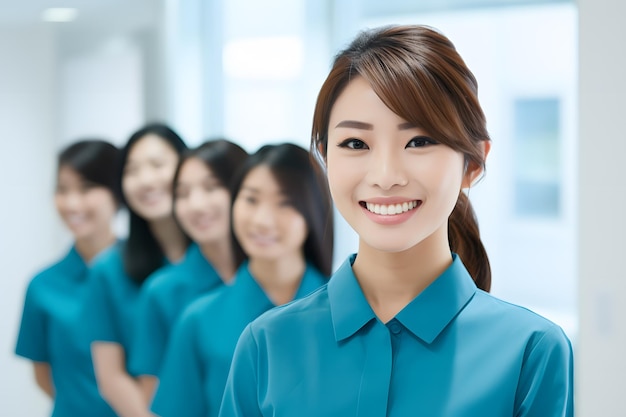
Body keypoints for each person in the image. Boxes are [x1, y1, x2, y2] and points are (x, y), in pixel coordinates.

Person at [218, 25, 574, 417]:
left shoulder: (531, 351)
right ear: (324, 157)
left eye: (419, 141)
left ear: (472, 162)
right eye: (356, 144)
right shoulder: (266, 345)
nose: (385, 175)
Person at [150, 143, 334, 417]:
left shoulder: (351, 313)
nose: (262, 220)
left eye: (285, 202)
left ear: (313, 209)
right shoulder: (199, 320)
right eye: (251, 199)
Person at [128, 139, 248, 401]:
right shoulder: (162, 292)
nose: (195, 205)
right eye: (182, 194)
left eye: (212, 187)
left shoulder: (280, 280)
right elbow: (154, 401)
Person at [82, 123, 189, 417]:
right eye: (131, 170)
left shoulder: (216, 261)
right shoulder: (108, 269)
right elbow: (112, 378)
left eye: (157, 165)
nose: (145, 180)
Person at [15, 140, 120, 417]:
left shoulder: (149, 278)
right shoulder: (42, 286)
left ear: (116, 192)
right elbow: (43, 375)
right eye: (62, 190)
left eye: (86, 188)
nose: (72, 203)